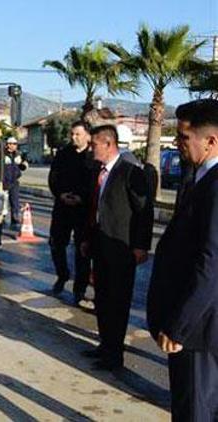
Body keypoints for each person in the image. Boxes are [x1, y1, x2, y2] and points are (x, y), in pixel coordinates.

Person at [147, 99, 218, 420]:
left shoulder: (215, 186)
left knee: (195, 411)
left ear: (211, 141)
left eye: (183, 138)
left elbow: (211, 264)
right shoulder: (198, 178)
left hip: (199, 330)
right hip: (200, 324)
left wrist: (179, 326)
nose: (177, 145)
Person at [81, 125, 154, 371]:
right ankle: (105, 345)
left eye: (94, 145)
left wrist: (141, 245)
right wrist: (87, 240)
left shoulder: (130, 173)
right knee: (101, 299)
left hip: (121, 248)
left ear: (109, 144)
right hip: (99, 246)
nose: (91, 149)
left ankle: (115, 355)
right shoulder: (97, 173)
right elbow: (94, 210)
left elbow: (144, 211)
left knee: (117, 302)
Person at [48, 121, 95, 304]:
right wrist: (60, 194)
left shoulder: (92, 156)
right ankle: (62, 274)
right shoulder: (63, 154)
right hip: (62, 206)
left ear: (87, 136)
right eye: (72, 134)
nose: (74, 137)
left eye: (78, 134)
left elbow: (94, 182)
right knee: (56, 243)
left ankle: (79, 289)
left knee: (82, 250)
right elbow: (53, 177)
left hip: (82, 210)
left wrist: (82, 197)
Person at [2, 137, 28, 227]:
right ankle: (2, 219)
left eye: (16, 144)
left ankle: (15, 220)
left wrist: (23, 164)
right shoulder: (2, 154)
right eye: (13, 144)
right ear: (8, 144)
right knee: (4, 201)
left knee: (15, 201)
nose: (14, 146)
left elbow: (22, 166)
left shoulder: (18, 154)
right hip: (4, 181)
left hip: (14, 181)